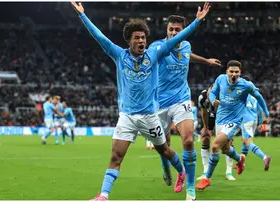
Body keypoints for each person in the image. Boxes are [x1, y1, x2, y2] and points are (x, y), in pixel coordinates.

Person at [71, 2, 211, 200]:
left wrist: (197, 21)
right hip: (127, 117)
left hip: (149, 117)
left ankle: (180, 171)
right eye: (137, 38)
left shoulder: (154, 54)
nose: (141, 41)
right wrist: (82, 16)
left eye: (143, 37)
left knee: (164, 150)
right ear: (129, 40)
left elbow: (178, 38)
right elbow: (99, 37)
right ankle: (104, 195)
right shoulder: (119, 55)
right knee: (116, 156)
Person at [149, 14, 220, 196]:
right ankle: (167, 169)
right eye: (170, 29)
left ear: (183, 31)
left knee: (188, 141)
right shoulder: (158, 47)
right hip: (159, 104)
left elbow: (188, 55)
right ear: (166, 30)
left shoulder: (186, 46)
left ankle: (190, 189)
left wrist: (206, 61)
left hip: (181, 99)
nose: (173, 32)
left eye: (177, 30)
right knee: (162, 146)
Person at [196, 60, 270, 190]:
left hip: (234, 122)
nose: (234, 74)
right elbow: (212, 93)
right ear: (227, 72)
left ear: (240, 73)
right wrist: (213, 100)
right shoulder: (220, 79)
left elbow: (259, 97)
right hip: (220, 120)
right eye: (231, 72)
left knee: (215, 147)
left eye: (236, 72)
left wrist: (266, 113)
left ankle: (207, 178)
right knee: (225, 150)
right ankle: (240, 159)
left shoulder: (246, 85)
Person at [196, 84, 236, 181]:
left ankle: (229, 171)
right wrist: (205, 127)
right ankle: (205, 171)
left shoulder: (227, 95)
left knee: (227, 142)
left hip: (224, 117)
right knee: (205, 138)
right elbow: (204, 112)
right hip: (210, 115)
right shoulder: (202, 97)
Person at [240, 75, 271, 170]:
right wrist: (260, 123)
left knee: (248, 142)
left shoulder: (242, 93)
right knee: (244, 142)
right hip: (254, 120)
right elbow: (260, 109)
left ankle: (264, 157)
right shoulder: (254, 95)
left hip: (246, 120)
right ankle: (241, 163)